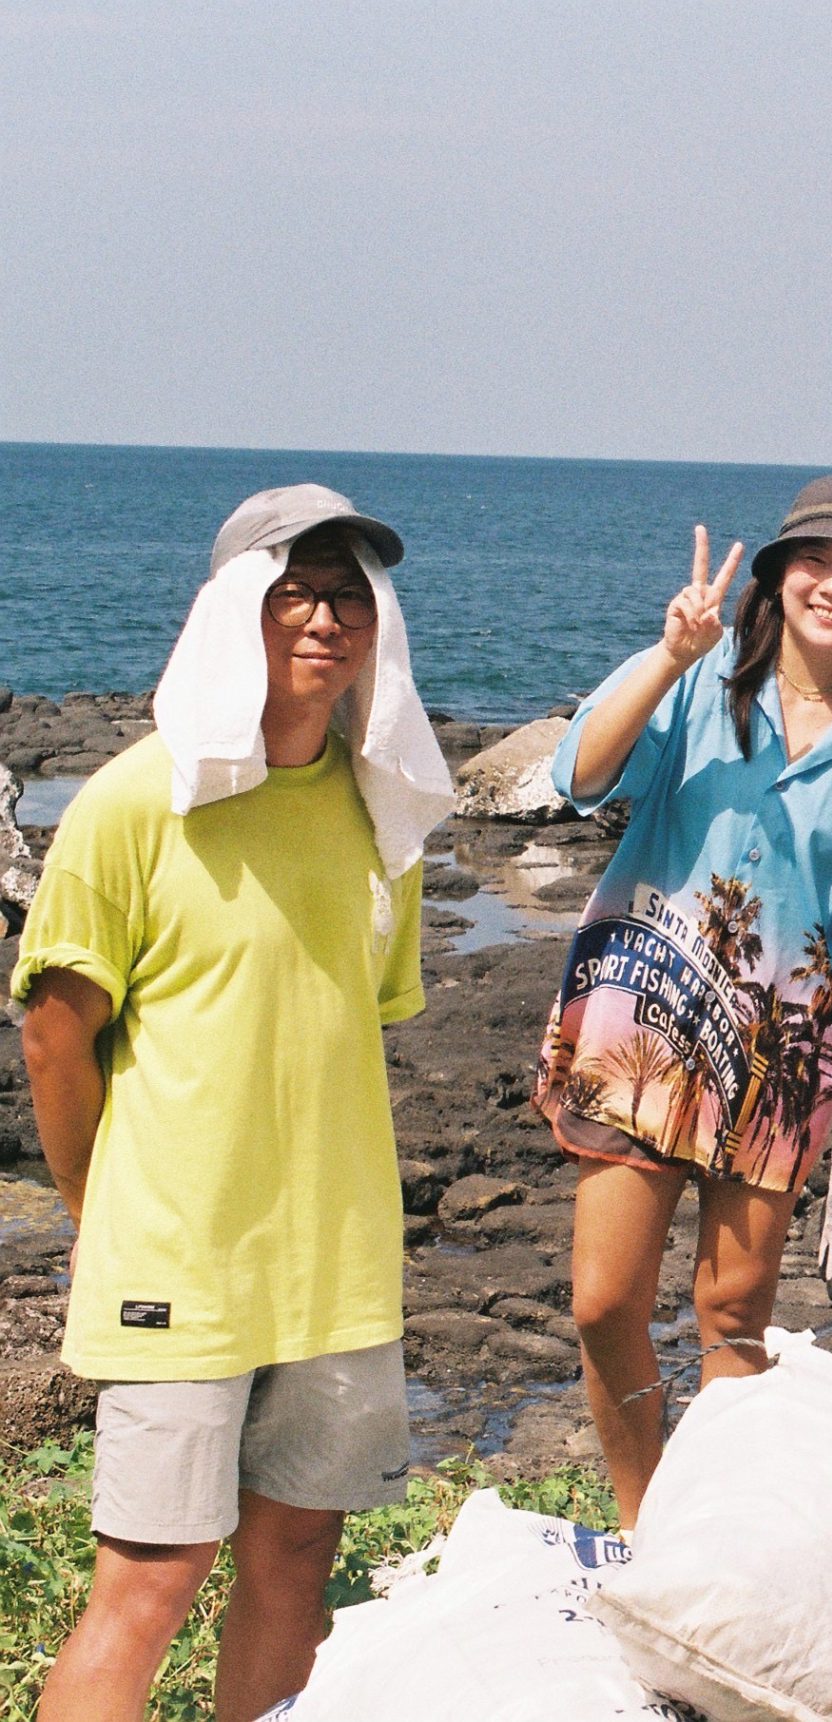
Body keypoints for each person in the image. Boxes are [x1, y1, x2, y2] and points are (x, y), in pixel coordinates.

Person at [16, 485, 451, 1722]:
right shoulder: (135, 802)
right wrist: (97, 1207)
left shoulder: (383, 816)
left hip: (335, 1265)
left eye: (350, 593)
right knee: (150, 1583)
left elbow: (342, 1025)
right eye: (295, 589)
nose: (327, 616)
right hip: (179, 1265)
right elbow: (55, 1036)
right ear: (231, 613)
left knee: (297, 1562)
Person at [536, 474, 832, 1523]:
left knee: (732, 1313)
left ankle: (714, 1535)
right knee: (604, 1301)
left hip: (781, 1048)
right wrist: (670, 652)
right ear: (777, 576)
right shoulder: (705, 675)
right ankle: (644, 1517)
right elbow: (580, 773)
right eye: (817, 561)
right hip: (643, 1012)